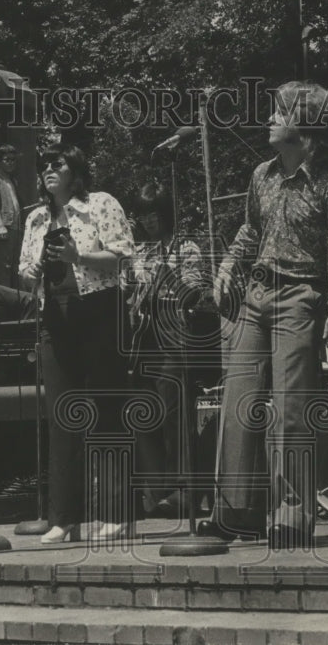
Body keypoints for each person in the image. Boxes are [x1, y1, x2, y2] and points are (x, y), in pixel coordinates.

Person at [201, 80, 328, 548]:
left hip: (300, 297)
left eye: (278, 112)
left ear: (305, 125)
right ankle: (236, 512)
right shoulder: (261, 174)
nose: (269, 119)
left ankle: (292, 515)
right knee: (238, 400)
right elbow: (251, 228)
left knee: (289, 410)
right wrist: (228, 264)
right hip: (256, 293)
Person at [18, 143, 135, 543]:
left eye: (57, 162)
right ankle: (64, 519)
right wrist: (32, 271)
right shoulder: (35, 218)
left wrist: (77, 255)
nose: (48, 169)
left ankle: (117, 513)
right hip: (57, 315)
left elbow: (122, 258)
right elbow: (26, 275)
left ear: (75, 169)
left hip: (100, 309)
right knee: (62, 415)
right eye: (43, 164)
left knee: (106, 409)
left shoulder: (101, 204)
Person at [124, 182, 206, 518]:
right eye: (143, 216)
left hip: (173, 339)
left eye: (154, 215)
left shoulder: (185, 248)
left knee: (175, 416)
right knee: (144, 417)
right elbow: (126, 289)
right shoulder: (139, 251)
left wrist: (168, 279)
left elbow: (196, 289)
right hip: (142, 342)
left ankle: (184, 491)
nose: (149, 222)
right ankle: (154, 492)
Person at [0, 144, 23, 288]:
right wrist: (0, 225)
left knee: (15, 263)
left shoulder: (12, 180)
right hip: (6, 227)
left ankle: (14, 294)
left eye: (13, 160)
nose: (11, 163)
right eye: (7, 160)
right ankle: (5, 295)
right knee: (4, 264)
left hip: (16, 226)